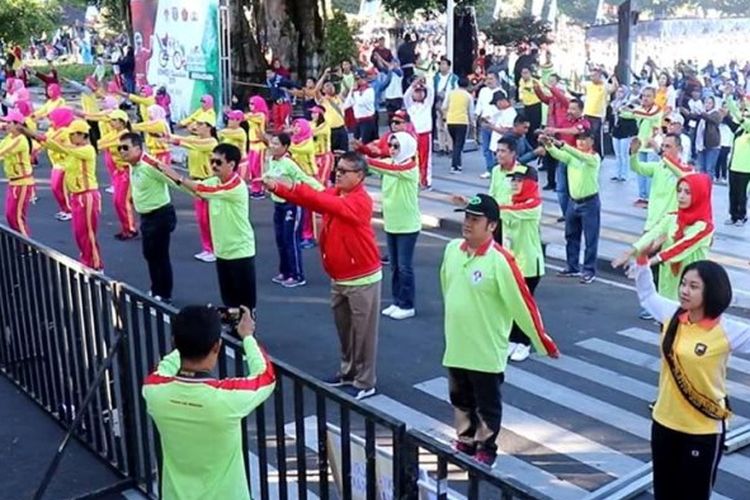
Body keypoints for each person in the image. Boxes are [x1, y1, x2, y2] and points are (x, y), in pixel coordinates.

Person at [441, 193, 559, 466]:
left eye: (475, 219)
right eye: (466, 217)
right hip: (458, 342)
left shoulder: (501, 261)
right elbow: (447, 286)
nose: (468, 224)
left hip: (485, 347)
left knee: (486, 403)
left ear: (492, 226)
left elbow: (523, 305)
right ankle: (465, 439)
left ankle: (486, 448)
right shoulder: (451, 250)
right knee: (459, 397)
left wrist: (542, 341)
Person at [618, 257, 750, 500]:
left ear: (712, 291)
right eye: (683, 284)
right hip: (664, 422)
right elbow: (648, 296)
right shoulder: (672, 315)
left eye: (693, 286)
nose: (684, 290)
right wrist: (643, 263)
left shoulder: (727, 330)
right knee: (665, 492)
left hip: (703, 429)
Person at [263, 152, 382, 400]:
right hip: (339, 278)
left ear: (359, 176)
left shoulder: (360, 200)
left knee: (364, 334)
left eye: (344, 171)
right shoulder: (336, 192)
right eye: (337, 169)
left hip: (362, 279)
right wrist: (280, 188)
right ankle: (348, 372)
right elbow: (315, 200)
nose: (337, 173)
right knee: (345, 330)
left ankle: (365, 381)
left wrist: (294, 186)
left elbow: (324, 203)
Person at [142, 305, 275, 500]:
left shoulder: (154, 390)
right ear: (216, 347)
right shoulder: (226, 398)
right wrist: (248, 336)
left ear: (174, 342)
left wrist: (188, 339)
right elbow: (265, 375)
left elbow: (164, 368)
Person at [159, 144, 257, 311]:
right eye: (212, 161)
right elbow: (195, 189)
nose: (213, 166)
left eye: (218, 162)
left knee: (245, 304)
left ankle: (248, 334)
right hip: (222, 250)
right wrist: (166, 175)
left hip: (240, 251)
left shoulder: (236, 186)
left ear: (232, 165)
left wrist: (178, 177)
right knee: (229, 300)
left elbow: (202, 189)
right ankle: (234, 332)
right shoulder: (214, 181)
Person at [613, 174, 714, 301]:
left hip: (691, 286)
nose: (681, 196)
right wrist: (631, 251)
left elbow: (680, 247)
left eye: (688, 192)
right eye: (679, 191)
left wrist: (647, 263)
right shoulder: (672, 218)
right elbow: (652, 234)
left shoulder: (704, 227)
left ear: (700, 195)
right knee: (665, 317)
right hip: (668, 282)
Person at [26, 119, 102, 270]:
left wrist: (34, 135)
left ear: (82, 135)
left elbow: (61, 147)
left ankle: (96, 266)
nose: (70, 138)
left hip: (87, 196)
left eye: (72, 135)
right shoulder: (75, 149)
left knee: (87, 233)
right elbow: (58, 148)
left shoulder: (87, 150)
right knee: (79, 233)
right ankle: (86, 262)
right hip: (76, 196)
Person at [365, 132, 421, 320]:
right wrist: (360, 152)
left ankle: (407, 304)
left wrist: (367, 160)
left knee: (405, 266)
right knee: (395, 266)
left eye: (396, 146)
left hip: (408, 225)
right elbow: (377, 165)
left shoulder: (410, 166)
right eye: (391, 145)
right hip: (392, 222)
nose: (392, 149)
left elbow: (381, 166)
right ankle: (397, 300)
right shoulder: (390, 162)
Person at [118, 133, 178, 302]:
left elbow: (175, 180)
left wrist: (201, 192)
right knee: (150, 254)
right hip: (146, 216)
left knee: (160, 256)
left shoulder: (150, 165)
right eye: (120, 148)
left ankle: (164, 294)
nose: (122, 151)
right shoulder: (133, 164)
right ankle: (156, 288)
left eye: (125, 148)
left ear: (138, 148)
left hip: (160, 215)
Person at [498, 166, 545, 362]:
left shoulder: (533, 205)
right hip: (512, 262)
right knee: (511, 304)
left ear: (530, 183)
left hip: (528, 264)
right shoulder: (511, 201)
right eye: (513, 180)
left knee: (524, 306)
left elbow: (506, 212)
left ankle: (525, 342)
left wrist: (481, 206)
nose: (514, 183)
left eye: (519, 180)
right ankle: (513, 339)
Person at [541, 132, 601, 284]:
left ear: (591, 141)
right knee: (571, 235)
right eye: (579, 140)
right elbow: (558, 154)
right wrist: (548, 144)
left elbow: (581, 156)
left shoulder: (593, 158)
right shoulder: (572, 157)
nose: (580, 143)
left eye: (584, 140)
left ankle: (589, 270)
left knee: (590, 239)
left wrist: (563, 144)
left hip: (590, 203)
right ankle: (572, 267)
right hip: (573, 202)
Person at [265, 133, 323, 288]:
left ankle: (297, 275)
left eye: (277, 144)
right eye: (272, 143)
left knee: (290, 240)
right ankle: (284, 272)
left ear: (285, 147)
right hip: (278, 205)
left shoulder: (289, 163)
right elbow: (269, 177)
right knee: (280, 239)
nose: (273, 146)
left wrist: (322, 191)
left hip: (292, 204)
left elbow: (303, 177)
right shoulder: (270, 161)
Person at [169, 119, 218, 263]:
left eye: (201, 124)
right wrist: (169, 138)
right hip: (195, 181)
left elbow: (189, 142)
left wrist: (176, 140)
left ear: (209, 126)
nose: (197, 127)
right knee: (201, 219)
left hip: (207, 181)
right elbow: (186, 140)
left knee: (209, 219)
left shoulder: (211, 142)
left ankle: (214, 249)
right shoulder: (195, 139)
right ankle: (207, 248)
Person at [96, 110, 137, 240]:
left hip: (126, 170)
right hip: (118, 171)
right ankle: (126, 227)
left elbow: (112, 144)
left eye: (113, 120)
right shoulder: (114, 133)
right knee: (117, 201)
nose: (111, 123)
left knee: (122, 201)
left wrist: (98, 146)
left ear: (121, 122)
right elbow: (102, 142)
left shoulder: (124, 135)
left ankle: (130, 228)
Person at [621, 87, 663, 207]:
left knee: (650, 173)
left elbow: (649, 116)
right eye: (643, 95)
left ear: (654, 97)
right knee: (640, 171)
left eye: (648, 96)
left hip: (652, 144)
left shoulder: (657, 109)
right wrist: (624, 108)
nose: (645, 98)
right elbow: (624, 114)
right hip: (640, 144)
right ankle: (642, 196)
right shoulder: (640, 109)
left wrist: (633, 111)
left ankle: (651, 198)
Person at [0, 109, 34, 236]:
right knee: (10, 215)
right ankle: (21, 244)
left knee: (17, 216)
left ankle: (28, 247)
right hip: (14, 182)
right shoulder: (10, 137)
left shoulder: (20, 140)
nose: (6, 124)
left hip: (22, 182)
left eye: (9, 122)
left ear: (17, 125)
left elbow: (2, 153)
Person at [403, 78, 434, 189]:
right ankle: (414, 180)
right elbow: (406, 96)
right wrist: (413, 85)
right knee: (412, 159)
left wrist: (424, 84)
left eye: (421, 91)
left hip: (425, 135)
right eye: (417, 92)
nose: (419, 94)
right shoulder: (410, 105)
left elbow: (431, 92)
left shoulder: (427, 104)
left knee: (425, 159)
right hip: (413, 136)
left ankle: (426, 181)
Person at [726, 93, 750, 226]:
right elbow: (733, 115)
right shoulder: (740, 130)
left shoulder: (748, 127)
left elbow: (740, 118)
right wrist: (728, 98)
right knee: (732, 192)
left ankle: (741, 216)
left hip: (746, 167)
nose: (745, 115)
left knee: (742, 193)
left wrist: (746, 102)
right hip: (733, 165)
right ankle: (733, 215)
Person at [443, 77, 475, 174]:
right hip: (462, 122)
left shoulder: (451, 94)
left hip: (450, 121)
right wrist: (473, 123)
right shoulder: (468, 96)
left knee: (454, 143)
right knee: (459, 145)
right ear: (468, 85)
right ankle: (455, 166)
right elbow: (471, 112)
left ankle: (457, 164)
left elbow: (444, 106)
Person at [608, 84, 638, 182]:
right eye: (618, 91)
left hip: (625, 131)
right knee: (617, 154)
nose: (619, 94)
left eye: (622, 92)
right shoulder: (613, 103)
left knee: (624, 153)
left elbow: (633, 116)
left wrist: (623, 110)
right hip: (616, 130)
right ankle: (617, 173)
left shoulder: (630, 104)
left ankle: (624, 174)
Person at [475, 73, 501, 174]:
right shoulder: (483, 91)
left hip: (496, 124)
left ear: (497, 80)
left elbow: (501, 109)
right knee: (486, 148)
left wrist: (492, 118)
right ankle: (489, 169)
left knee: (496, 148)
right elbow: (480, 104)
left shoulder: (500, 92)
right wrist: (476, 115)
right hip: (484, 123)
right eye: (487, 79)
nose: (489, 81)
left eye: (491, 79)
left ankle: (497, 168)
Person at [432, 57, 458, 156]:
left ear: (448, 66)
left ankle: (450, 147)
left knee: (448, 127)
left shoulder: (453, 78)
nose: (442, 66)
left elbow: (455, 90)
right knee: (439, 127)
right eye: (441, 64)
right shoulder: (435, 77)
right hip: (439, 104)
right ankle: (442, 147)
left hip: (449, 104)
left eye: (444, 64)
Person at [343, 70, 378, 145]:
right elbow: (347, 104)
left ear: (364, 79)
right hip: (358, 121)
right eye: (356, 79)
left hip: (367, 121)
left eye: (358, 79)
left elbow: (361, 102)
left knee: (365, 144)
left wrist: (355, 92)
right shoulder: (355, 91)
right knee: (356, 143)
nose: (357, 81)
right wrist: (352, 91)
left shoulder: (369, 90)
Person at [246, 95, 269, 198]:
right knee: (251, 168)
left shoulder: (260, 115)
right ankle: (255, 188)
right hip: (251, 144)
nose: (250, 106)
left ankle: (260, 190)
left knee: (257, 168)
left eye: (252, 103)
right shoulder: (252, 115)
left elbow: (247, 117)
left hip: (259, 145)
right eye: (250, 103)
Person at [517, 67, 542, 147]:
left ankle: (536, 145)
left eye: (526, 72)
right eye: (523, 73)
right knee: (527, 127)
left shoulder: (535, 82)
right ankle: (529, 145)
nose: (524, 75)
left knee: (535, 126)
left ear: (530, 73)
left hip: (535, 105)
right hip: (526, 106)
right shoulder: (521, 81)